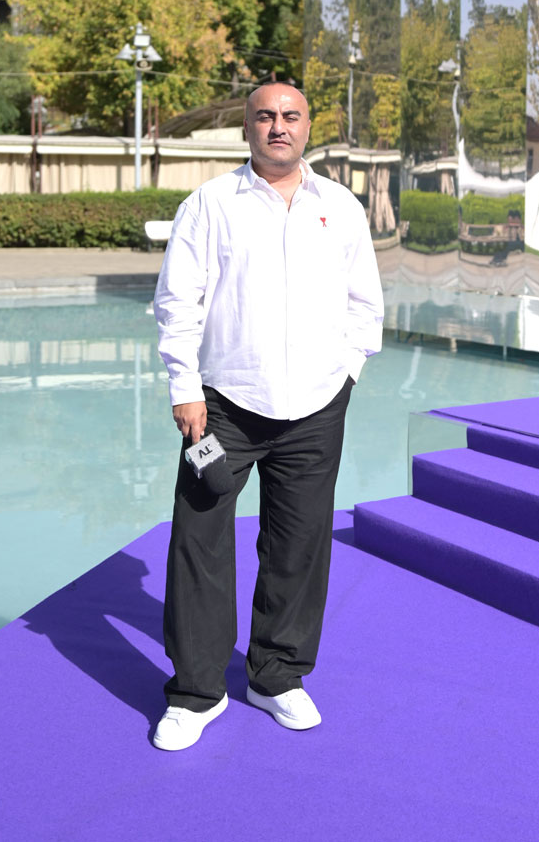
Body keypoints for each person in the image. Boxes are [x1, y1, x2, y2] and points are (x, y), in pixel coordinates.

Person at [152, 82, 383, 751]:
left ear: (308, 126)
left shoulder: (340, 207)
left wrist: (346, 375)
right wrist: (184, 387)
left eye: (290, 115)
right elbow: (178, 301)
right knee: (199, 542)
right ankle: (197, 692)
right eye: (265, 116)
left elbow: (364, 305)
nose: (278, 126)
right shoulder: (210, 204)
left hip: (316, 406)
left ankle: (276, 675)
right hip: (223, 404)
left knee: (300, 543)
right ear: (248, 128)